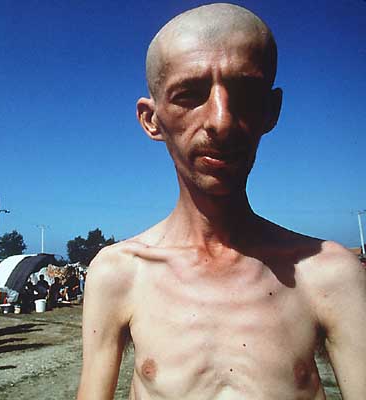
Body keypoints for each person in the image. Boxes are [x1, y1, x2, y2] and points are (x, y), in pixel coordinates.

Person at [78, 4, 366, 400]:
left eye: (246, 94)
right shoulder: (118, 274)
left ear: (271, 110)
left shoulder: (330, 275)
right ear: (151, 119)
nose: (221, 120)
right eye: (190, 95)